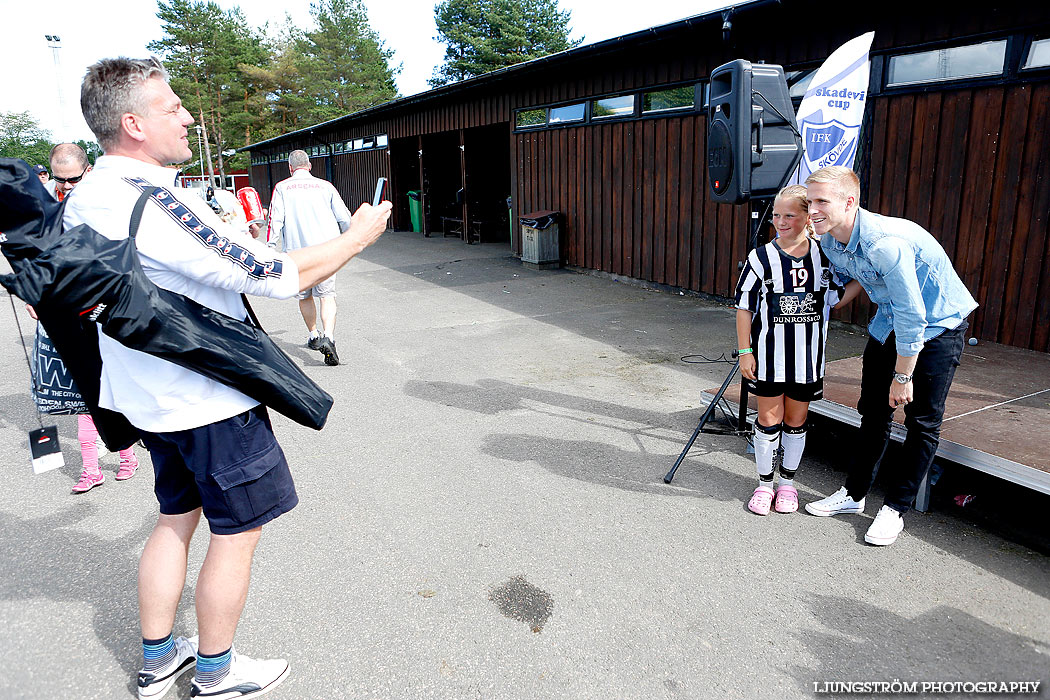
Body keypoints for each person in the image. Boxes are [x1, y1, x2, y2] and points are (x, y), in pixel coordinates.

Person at [68, 56, 390, 699]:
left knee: (174, 517)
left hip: (146, 397)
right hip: (206, 396)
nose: (186, 116)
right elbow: (268, 274)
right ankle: (218, 670)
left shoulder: (86, 195)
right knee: (237, 534)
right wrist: (356, 237)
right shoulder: (151, 200)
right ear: (132, 124)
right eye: (171, 108)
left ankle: (159, 658)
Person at [803, 166, 977, 545]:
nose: (811, 208)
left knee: (921, 421)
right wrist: (826, 302)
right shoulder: (829, 237)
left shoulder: (885, 243)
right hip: (890, 319)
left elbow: (914, 314)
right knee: (874, 410)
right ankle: (853, 495)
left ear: (849, 202)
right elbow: (857, 279)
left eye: (821, 201)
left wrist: (903, 376)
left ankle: (896, 509)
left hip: (937, 324)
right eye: (809, 199)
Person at [734, 185, 859, 515]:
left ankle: (787, 483)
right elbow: (744, 308)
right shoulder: (760, 258)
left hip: (807, 360)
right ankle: (764, 485)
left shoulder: (824, 256)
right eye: (776, 215)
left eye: (790, 215)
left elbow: (834, 298)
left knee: (796, 420)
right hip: (768, 358)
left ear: (808, 217)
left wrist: (867, 279)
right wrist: (745, 351)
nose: (781, 221)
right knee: (767, 419)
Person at [29, 143, 136, 493]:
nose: (66, 186)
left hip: (105, 310)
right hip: (66, 313)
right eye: (60, 180)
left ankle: (126, 454)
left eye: (72, 179)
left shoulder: (106, 201)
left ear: (87, 170)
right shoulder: (47, 204)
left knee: (107, 388)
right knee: (84, 396)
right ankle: (94, 468)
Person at [266, 149, 354, 366]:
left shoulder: (282, 187)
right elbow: (344, 217)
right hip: (327, 252)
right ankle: (329, 336)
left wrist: (269, 247)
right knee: (327, 295)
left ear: (290, 167)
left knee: (305, 297)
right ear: (310, 166)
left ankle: (314, 335)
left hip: (298, 256)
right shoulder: (326, 186)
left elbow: (275, 220)